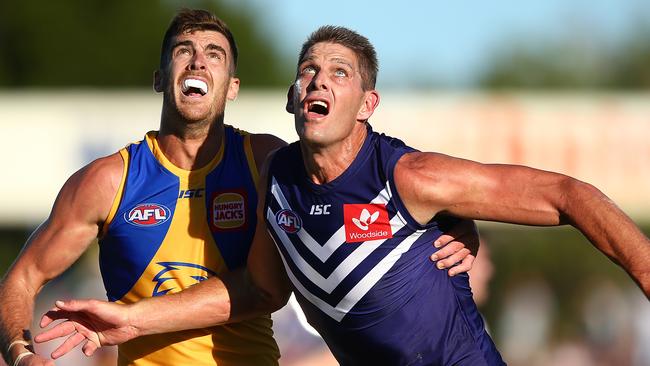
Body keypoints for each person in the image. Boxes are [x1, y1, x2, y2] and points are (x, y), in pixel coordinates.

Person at [34, 25, 650, 366]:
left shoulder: (411, 176)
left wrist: (461, 223)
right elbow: (259, 291)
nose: (318, 81)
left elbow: (568, 194)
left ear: (368, 104)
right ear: (291, 98)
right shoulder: (273, 178)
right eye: (308, 70)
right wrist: (129, 318)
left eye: (339, 72)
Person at [0, 12, 477, 366]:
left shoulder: (266, 162)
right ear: (160, 77)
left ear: (231, 87)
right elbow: (21, 279)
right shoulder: (109, 180)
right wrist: (22, 355)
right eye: (183, 51)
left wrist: (458, 226)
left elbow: (371, 181)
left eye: (215, 55)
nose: (198, 62)